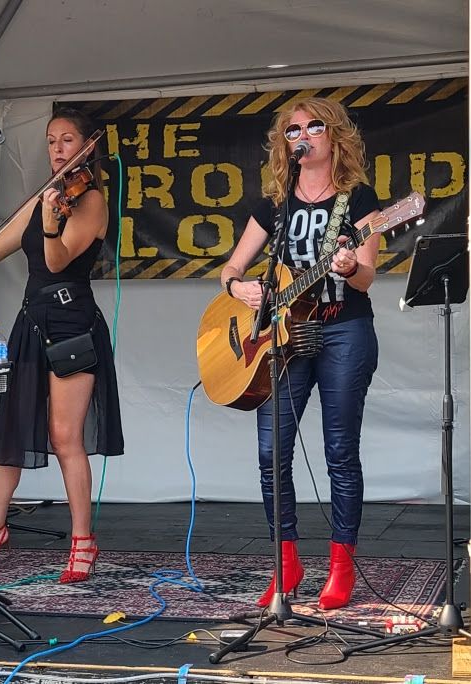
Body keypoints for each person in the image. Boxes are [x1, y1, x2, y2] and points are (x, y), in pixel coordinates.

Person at [220, 97, 381, 610]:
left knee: (340, 451)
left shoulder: (358, 200)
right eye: (293, 130)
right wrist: (240, 289)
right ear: (284, 144)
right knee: (271, 453)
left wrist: (350, 267)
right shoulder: (274, 204)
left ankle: (341, 565)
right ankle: (285, 560)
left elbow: (367, 278)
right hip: (283, 338)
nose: (303, 136)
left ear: (334, 136)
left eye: (314, 127)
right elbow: (231, 269)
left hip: (343, 330)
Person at [0, 107, 124, 584]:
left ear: (88, 146)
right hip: (32, 320)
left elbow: (56, 261)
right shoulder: (44, 196)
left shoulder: (91, 201)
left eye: (67, 139)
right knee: (9, 429)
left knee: (65, 435)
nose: (56, 148)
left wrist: (51, 223)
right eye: (51, 140)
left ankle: (83, 541)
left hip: (72, 321)